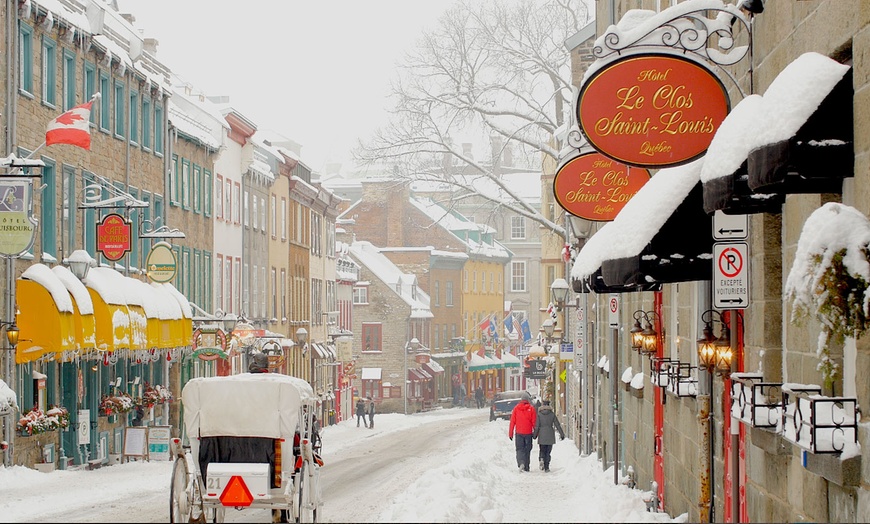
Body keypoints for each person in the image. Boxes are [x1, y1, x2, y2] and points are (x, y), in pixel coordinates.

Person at [508, 392, 537, 472]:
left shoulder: (516, 408)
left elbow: (512, 422)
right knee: (527, 449)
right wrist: (536, 432)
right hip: (528, 433)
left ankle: (521, 462)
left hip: (519, 433)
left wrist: (510, 433)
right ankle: (527, 466)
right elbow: (534, 422)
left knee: (519, 449)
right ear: (528, 400)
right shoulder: (531, 409)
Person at [533, 400, 564, 472]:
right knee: (548, 451)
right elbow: (557, 425)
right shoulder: (552, 414)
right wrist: (562, 434)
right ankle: (546, 467)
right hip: (550, 434)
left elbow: (537, 426)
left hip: (542, 434)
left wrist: (534, 435)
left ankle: (541, 458)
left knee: (542, 449)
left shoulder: (539, 414)